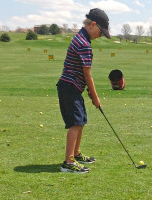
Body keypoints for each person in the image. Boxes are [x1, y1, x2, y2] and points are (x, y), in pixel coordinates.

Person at [56, 8, 111, 173]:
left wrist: (87, 90)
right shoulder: (84, 44)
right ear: (93, 25)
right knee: (75, 124)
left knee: (81, 121)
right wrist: (95, 97)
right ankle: (69, 162)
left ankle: (76, 153)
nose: (100, 36)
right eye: (101, 32)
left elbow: (81, 71)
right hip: (69, 88)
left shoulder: (80, 37)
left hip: (72, 87)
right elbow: (88, 74)